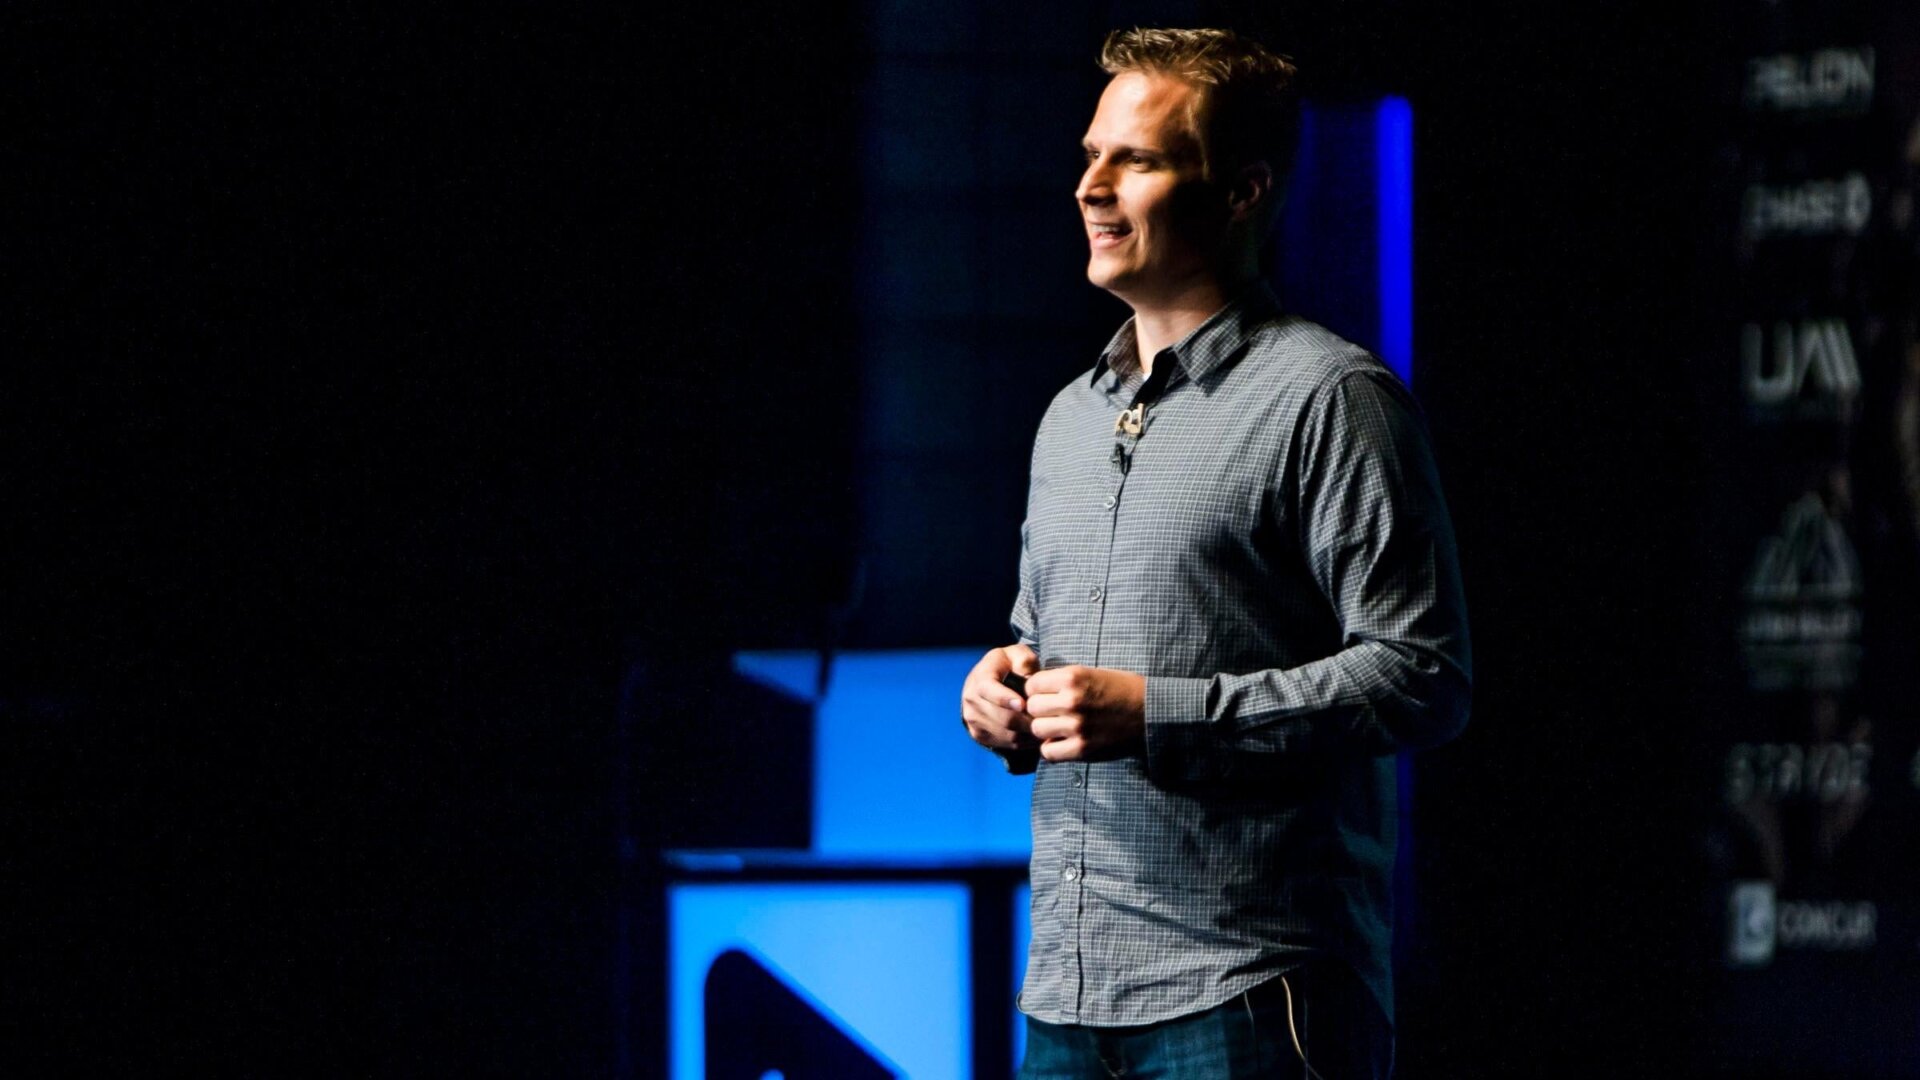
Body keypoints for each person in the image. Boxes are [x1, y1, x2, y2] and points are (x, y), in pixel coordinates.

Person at [958, 27, 1472, 1079]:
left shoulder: (1330, 399)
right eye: (1091, 155)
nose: (1090, 188)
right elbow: (1044, 642)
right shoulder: (1067, 417)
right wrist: (1002, 692)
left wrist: (1157, 712)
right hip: (1065, 991)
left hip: (1250, 992)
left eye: (1136, 161)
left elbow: (1423, 675)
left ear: (1241, 192)